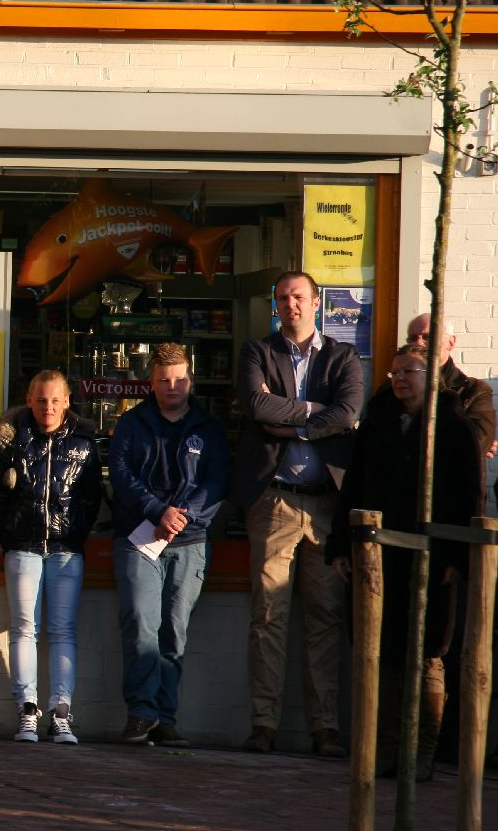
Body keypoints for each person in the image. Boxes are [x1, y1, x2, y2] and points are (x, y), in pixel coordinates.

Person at [330, 344, 484, 781]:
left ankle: (421, 753)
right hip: (379, 557)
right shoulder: (376, 422)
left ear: (431, 376)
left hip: (432, 559)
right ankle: (385, 750)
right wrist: (340, 546)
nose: (399, 378)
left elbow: (470, 495)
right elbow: (353, 487)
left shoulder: (454, 426)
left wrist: (458, 558)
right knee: (380, 652)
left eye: (409, 371)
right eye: (394, 372)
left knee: (428, 653)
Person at [231, 270, 362, 757]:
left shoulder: (342, 357)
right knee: (268, 616)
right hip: (275, 502)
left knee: (325, 617)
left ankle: (324, 728)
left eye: (299, 297)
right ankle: (263, 724)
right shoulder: (257, 352)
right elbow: (256, 404)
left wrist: (294, 423)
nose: (292, 304)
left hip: (327, 504)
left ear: (316, 302)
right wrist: (313, 411)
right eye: (284, 298)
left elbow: (348, 413)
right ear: (276, 305)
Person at [108, 343, 228, 747]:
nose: (171, 386)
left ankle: (165, 718)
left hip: (189, 540)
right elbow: (121, 475)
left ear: (190, 380)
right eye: (163, 380)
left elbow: (216, 480)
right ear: (151, 381)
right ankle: (140, 713)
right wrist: (158, 511)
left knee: (174, 633)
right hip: (138, 537)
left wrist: (182, 517)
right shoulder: (132, 423)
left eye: (179, 379)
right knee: (141, 625)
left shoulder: (208, 427)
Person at [0, 370, 103, 745]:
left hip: (66, 550)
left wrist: (75, 534)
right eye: (41, 400)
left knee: (62, 630)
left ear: (67, 401)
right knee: (24, 628)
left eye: (55, 400)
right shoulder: (12, 440)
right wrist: (10, 535)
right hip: (22, 547)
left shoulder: (84, 443)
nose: (48, 407)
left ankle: (61, 713)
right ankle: (27, 710)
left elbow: (92, 497)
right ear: (29, 400)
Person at [405, 313, 496, 459]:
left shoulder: (474, 391)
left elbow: (474, 445)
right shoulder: (394, 387)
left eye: (428, 337)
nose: (419, 343)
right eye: (412, 338)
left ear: (451, 342)